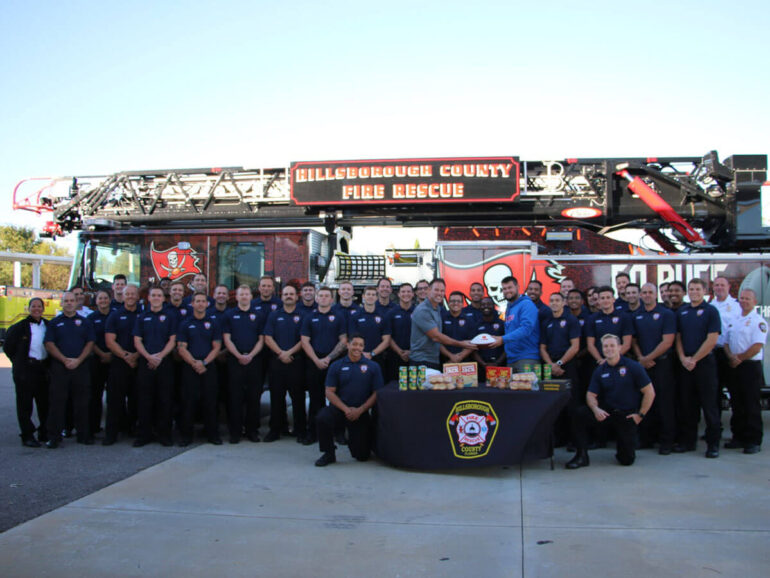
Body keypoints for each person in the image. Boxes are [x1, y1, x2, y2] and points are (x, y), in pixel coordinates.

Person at [566, 334, 655, 469]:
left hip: (626, 415)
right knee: (579, 414)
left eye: (612, 345)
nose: (609, 349)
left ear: (619, 347)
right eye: (605, 346)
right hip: (606, 412)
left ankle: (623, 447)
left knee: (626, 460)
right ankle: (581, 456)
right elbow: (590, 394)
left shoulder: (633, 366)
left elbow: (649, 392)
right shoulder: (600, 370)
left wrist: (640, 415)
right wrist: (596, 409)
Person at [314, 334, 384, 467]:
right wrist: (346, 409)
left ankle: (356, 443)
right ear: (348, 345)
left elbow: (377, 393)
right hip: (341, 409)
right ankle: (328, 453)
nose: (357, 347)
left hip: (360, 411)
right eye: (354, 344)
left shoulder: (373, 366)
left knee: (362, 456)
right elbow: (329, 392)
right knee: (322, 417)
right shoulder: (336, 365)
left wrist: (361, 410)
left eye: (361, 345)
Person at [675, 278, 721, 457]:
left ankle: (713, 444)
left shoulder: (711, 311)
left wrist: (694, 359)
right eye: (691, 289)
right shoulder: (683, 311)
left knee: (709, 406)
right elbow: (678, 337)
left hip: (704, 364)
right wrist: (682, 358)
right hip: (686, 365)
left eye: (697, 289)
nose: (694, 292)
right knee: (688, 405)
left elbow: (712, 339)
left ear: (705, 291)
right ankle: (688, 442)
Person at [43, 291, 95, 448]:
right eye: (66, 301)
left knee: (82, 402)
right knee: (57, 403)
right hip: (60, 367)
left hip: (81, 366)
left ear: (76, 302)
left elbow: (90, 343)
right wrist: (64, 360)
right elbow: (49, 344)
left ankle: (83, 435)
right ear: (62, 303)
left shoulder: (85, 322)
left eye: (72, 300)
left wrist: (78, 360)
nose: (70, 303)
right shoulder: (54, 323)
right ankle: (54, 436)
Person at [632, 283, 677, 454]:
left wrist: (648, 358)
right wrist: (641, 359)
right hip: (643, 366)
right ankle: (646, 439)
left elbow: (668, 341)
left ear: (656, 294)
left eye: (650, 292)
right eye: (644, 292)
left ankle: (666, 441)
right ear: (641, 295)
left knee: (664, 404)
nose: (647, 295)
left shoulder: (666, 314)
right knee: (644, 402)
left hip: (662, 364)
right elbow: (634, 340)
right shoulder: (637, 315)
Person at [301, 287, 348, 445]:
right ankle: (312, 432)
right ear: (316, 298)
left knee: (337, 399)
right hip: (314, 363)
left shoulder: (339, 316)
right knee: (315, 399)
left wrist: (328, 358)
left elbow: (343, 340)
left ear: (331, 299)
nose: (323, 298)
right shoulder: (309, 317)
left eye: (326, 296)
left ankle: (339, 432)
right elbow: (304, 341)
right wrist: (316, 360)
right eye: (320, 295)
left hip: (334, 364)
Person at [176, 291, 223, 446]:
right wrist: (194, 363)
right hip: (190, 368)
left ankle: (212, 435)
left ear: (207, 304)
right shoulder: (185, 323)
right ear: (192, 304)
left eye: (203, 301)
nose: (201, 303)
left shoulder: (213, 323)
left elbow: (217, 347)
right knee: (188, 402)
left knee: (211, 402)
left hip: (208, 367)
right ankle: (186, 437)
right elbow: (181, 348)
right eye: (198, 301)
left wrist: (204, 363)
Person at [133, 286, 177, 447]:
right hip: (146, 363)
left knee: (165, 400)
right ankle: (144, 435)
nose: (157, 298)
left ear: (163, 299)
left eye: (159, 295)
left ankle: (164, 435)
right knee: (144, 400)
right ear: (149, 298)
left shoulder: (170, 317)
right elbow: (137, 340)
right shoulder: (142, 317)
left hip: (164, 363)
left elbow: (172, 340)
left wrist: (160, 356)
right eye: (154, 295)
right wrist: (148, 357)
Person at [222, 285, 265, 444]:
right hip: (235, 360)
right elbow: (227, 339)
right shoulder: (229, 315)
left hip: (254, 360)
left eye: (247, 294)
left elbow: (261, 339)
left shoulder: (258, 315)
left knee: (254, 398)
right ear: (237, 297)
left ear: (251, 297)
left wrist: (251, 355)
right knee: (235, 398)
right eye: (242, 294)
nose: (245, 297)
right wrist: (239, 355)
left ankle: (252, 431)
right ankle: (235, 432)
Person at [723, 288, 765, 454]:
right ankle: (738, 437)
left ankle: (753, 440)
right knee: (736, 403)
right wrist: (731, 357)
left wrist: (739, 358)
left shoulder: (758, 321)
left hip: (749, 366)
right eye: (742, 298)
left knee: (751, 404)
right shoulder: (734, 319)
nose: (744, 301)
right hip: (734, 365)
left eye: (748, 299)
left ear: (754, 302)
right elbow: (726, 342)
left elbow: (757, 346)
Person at [4, 297, 49, 447]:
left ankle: (44, 431)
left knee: (44, 403)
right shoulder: (19, 327)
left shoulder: (47, 326)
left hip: (42, 369)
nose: (36, 309)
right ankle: (27, 435)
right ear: (28, 308)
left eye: (39, 306)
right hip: (26, 370)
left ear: (43, 309)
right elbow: (8, 348)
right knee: (25, 405)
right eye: (33, 306)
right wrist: (19, 363)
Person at [263, 285, 306, 442]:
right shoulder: (274, 316)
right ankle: (275, 430)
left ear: (296, 297)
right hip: (277, 362)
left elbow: (304, 340)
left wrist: (289, 353)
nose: (288, 296)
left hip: (296, 362)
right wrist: (281, 353)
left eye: (291, 294)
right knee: (276, 397)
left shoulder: (302, 315)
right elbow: (268, 337)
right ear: (282, 297)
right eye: (286, 294)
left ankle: (300, 430)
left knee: (298, 398)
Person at [103, 284, 141, 445]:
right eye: (128, 294)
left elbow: (148, 340)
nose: (131, 296)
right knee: (114, 400)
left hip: (139, 363)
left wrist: (136, 356)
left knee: (137, 400)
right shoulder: (115, 316)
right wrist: (126, 356)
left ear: (138, 297)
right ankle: (111, 434)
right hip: (119, 363)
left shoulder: (144, 315)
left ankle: (133, 429)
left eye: (133, 294)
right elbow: (110, 341)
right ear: (122, 296)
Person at [410, 278, 476, 370]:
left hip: (432, 360)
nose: (439, 293)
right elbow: (436, 337)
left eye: (442, 291)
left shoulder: (437, 309)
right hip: (421, 361)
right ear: (429, 290)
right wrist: (461, 344)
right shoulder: (423, 310)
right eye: (436, 290)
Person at [710, 276, 740, 439]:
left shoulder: (736, 306)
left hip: (729, 354)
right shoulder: (710, 306)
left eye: (722, 285)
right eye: (716, 285)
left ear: (729, 287)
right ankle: (716, 429)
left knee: (735, 394)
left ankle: (737, 432)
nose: (719, 288)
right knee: (713, 394)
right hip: (713, 353)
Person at [491, 276, 539, 372]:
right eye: (504, 289)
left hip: (526, 358)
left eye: (510, 288)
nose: (507, 291)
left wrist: (502, 339)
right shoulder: (509, 307)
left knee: (526, 387)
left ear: (517, 287)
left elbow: (526, 329)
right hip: (511, 359)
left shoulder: (526, 304)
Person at [585, 286, 633, 365]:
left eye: (608, 297)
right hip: (600, 363)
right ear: (599, 301)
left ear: (613, 299)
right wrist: (601, 360)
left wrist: (613, 359)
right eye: (602, 298)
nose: (605, 300)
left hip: (620, 361)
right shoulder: (592, 318)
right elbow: (590, 345)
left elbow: (627, 344)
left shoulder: (624, 317)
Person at [348, 286, 391, 372]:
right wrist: (362, 353)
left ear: (376, 297)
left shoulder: (383, 316)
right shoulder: (355, 316)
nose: (370, 296)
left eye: (373, 294)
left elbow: (387, 340)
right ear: (363, 296)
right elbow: (352, 339)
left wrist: (372, 354)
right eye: (368, 294)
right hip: (358, 357)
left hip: (378, 357)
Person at [89, 290, 113, 435]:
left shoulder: (115, 315)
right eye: (100, 298)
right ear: (96, 301)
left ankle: (113, 429)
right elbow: (90, 340)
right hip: (97, 360)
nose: (103, 300)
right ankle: (93, 428)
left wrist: (111, 354)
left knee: (113, 397)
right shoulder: (91, 318)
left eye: (105, 298)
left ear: (110, 300)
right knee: (95, 396)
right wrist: (102, 354)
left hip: (114, 359)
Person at [385, 283, 415, 381]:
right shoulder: (391, 313)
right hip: (395, 357)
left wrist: (411, 352)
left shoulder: (418, 312)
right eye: (403, 291)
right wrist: (400, 352)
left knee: (414, 388)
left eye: (408, 291)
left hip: (415, 357)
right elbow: (388, 336)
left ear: (413, 294)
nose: (406, 294)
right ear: (398, 294)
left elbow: (423, 335)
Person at [472, 297, 506, 379]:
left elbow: (507, 345)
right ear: (480, 307)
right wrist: (483, 364)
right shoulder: (476, 325)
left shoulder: (502, 324)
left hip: (500, 366)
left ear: (493, 306)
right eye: (483, 304)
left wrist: (497, 363)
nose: (486, 306)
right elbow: (472, 348)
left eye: (488, 304)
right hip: (481, 367)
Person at [440, 291, 476, 364]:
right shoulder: (441, 318)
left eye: (458, 301)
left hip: (465, 362)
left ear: (462, 304)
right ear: (448, 303)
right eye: (453, 301)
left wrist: (459, 357)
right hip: (445, 361)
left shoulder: (469, 320)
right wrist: (450, 356)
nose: (455, 303)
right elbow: (437, 341)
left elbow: (473, 342)